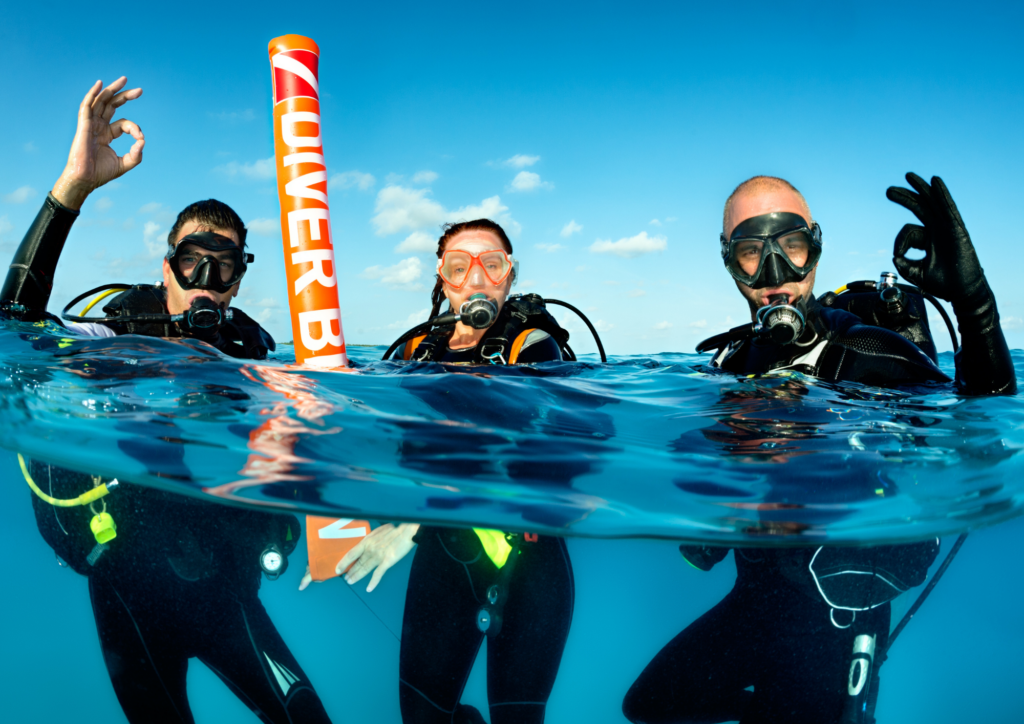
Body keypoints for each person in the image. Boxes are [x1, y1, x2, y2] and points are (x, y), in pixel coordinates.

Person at [622, 174, 1016, 723]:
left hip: (838, 613)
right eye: (752, 254)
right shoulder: (732, 363)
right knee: (649, 704)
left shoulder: (865, 351)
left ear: (817, 247)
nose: (775, 274)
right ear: (728, 262)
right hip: (755, 603)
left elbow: (980, 420)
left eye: (792, 246)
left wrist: (975, 306)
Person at [1, 78, 332, 724]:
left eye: (225, 267)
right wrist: (72, 190)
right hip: (128, 587)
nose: (206, 282)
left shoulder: (251, 351)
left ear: (239, 280)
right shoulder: (119, 328)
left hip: (225, 590)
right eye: (192, 262)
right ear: (166, 269)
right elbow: (12, 327)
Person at [302, 219, 576, 724]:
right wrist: (330, 514)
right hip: (444, 562)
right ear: (442, 279)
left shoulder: (532, 346)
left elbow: (510, 444)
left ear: (510, 277)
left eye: (491, 265)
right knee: (421, 717)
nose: (475, 279)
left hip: (531, 564)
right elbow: (366, 433)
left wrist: (410, 523)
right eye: (459, 266)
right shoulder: (414, 353)